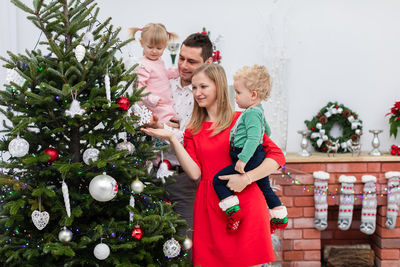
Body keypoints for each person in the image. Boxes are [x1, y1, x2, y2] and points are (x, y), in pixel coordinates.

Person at [142, 63, 285, 266]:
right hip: (210, 208)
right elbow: (194, 173)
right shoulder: (193, 130)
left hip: (246, 207)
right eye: (194, 87)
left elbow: (277, 157)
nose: (197, 93)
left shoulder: (242, 120)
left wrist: (246, 178)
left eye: (203, 87)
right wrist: (172, 139)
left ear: (218, 86)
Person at [146, 33, 214, 241]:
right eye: (182, 58)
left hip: (184, 179)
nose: (183, 65)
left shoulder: (207, 97)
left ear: (208, 63)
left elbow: (198, 141)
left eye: (191, 61)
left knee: (185, 243)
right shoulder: (165, 81)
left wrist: (165, 129)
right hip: (151, 173)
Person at [212, 65, 288, 233]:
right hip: (256, 155)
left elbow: (254, 139)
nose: (235, 96)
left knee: (218, 180)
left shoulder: (251, 113)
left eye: (238, 92)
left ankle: (233, 212)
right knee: (265, 187)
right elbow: (266, 131)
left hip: (248, 157)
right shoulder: (258, 111)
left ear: (253, 95)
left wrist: (242, 160)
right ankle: (279, 216)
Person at [129, 23, 179, 123]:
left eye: (159, 48)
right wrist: (150, 99)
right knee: (164, 117)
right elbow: (138, 88)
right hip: (153, 104)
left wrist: (174, 72)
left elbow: (161, 74)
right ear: (142, 43)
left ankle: (170, 124)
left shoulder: (159, 61)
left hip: (165, 102)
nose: (154, 51)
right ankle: (167, 124)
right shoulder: (143, 65)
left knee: (171, 113)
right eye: (150, 47)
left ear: (165, 45)